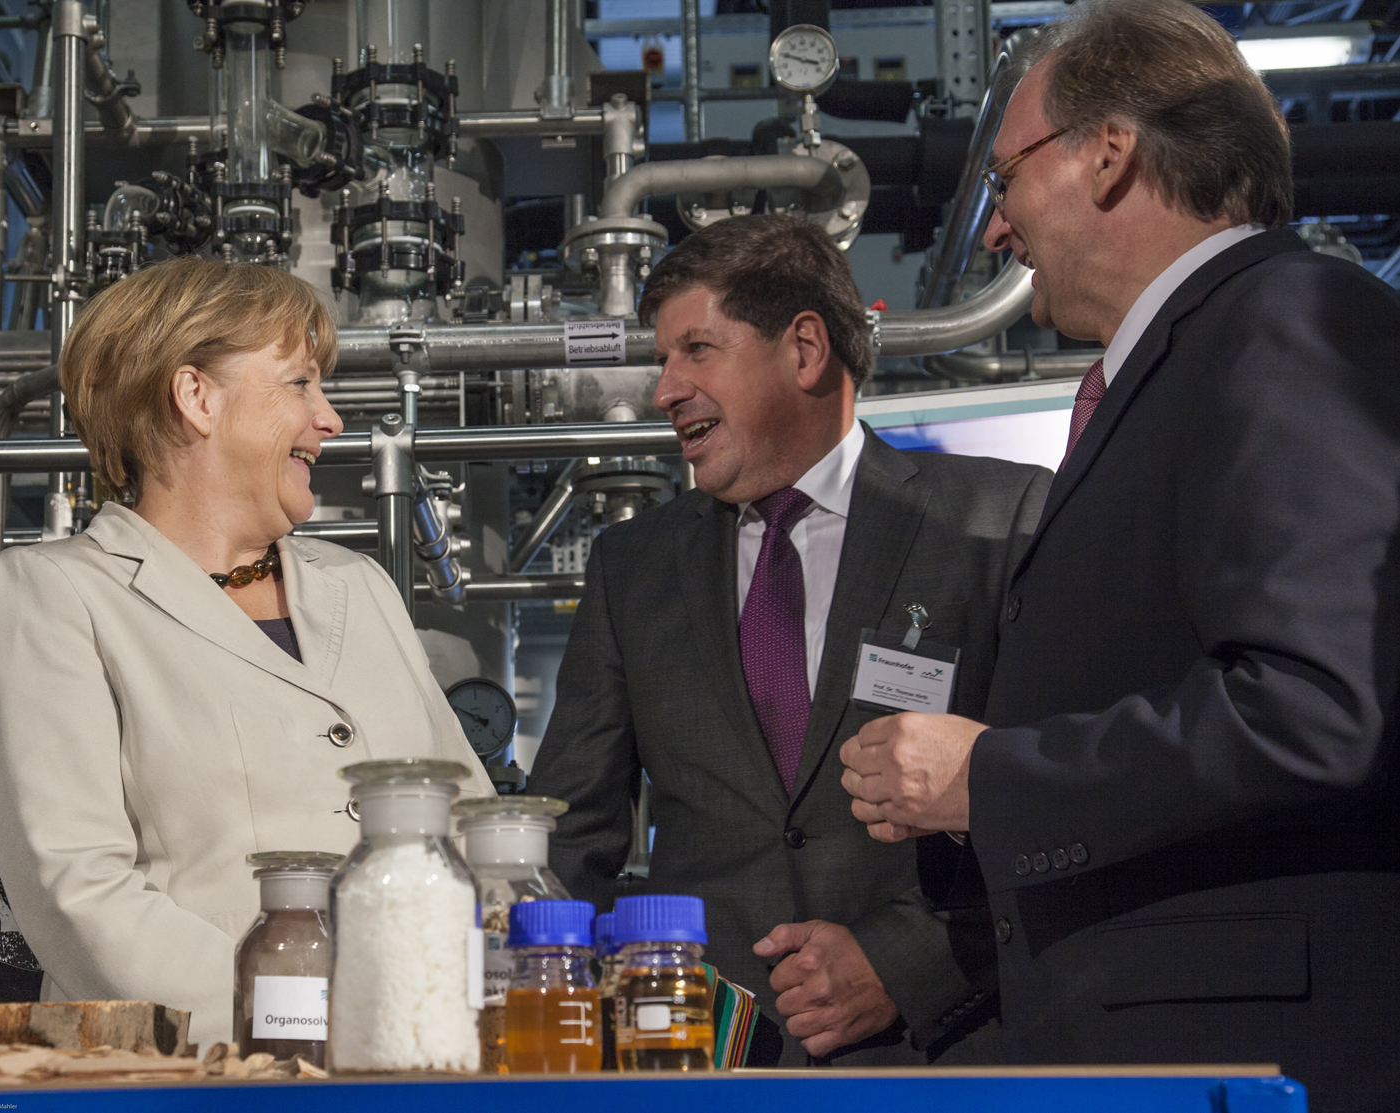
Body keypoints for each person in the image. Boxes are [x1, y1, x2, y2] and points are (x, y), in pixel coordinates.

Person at [837, 4, 1400, 1109]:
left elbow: (1317, 708)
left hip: (1246, 1057)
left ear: (1108, 154)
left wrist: (986, 779)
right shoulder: (1192, 358)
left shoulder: (1286, 318)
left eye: (1003, 182)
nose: (995, 231)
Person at [528, 214, 1051, 1066]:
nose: (664, 389)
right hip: (700, 1065)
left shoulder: (1000, 519)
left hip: (939, 1051)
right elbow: (568, 840)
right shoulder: (634, 568)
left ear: (804, 348)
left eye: (695, 350)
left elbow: (1061, 796)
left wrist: (908, 963)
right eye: (663, 360)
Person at [0, 257, 494, 1047]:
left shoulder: (357, 585)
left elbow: (471, 824)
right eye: (299, 385)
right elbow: (76, 893)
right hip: (188, 1075)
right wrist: (310, 1016)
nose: (329, 419)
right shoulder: (53, 593)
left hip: (419, 1061)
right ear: (196, 398)